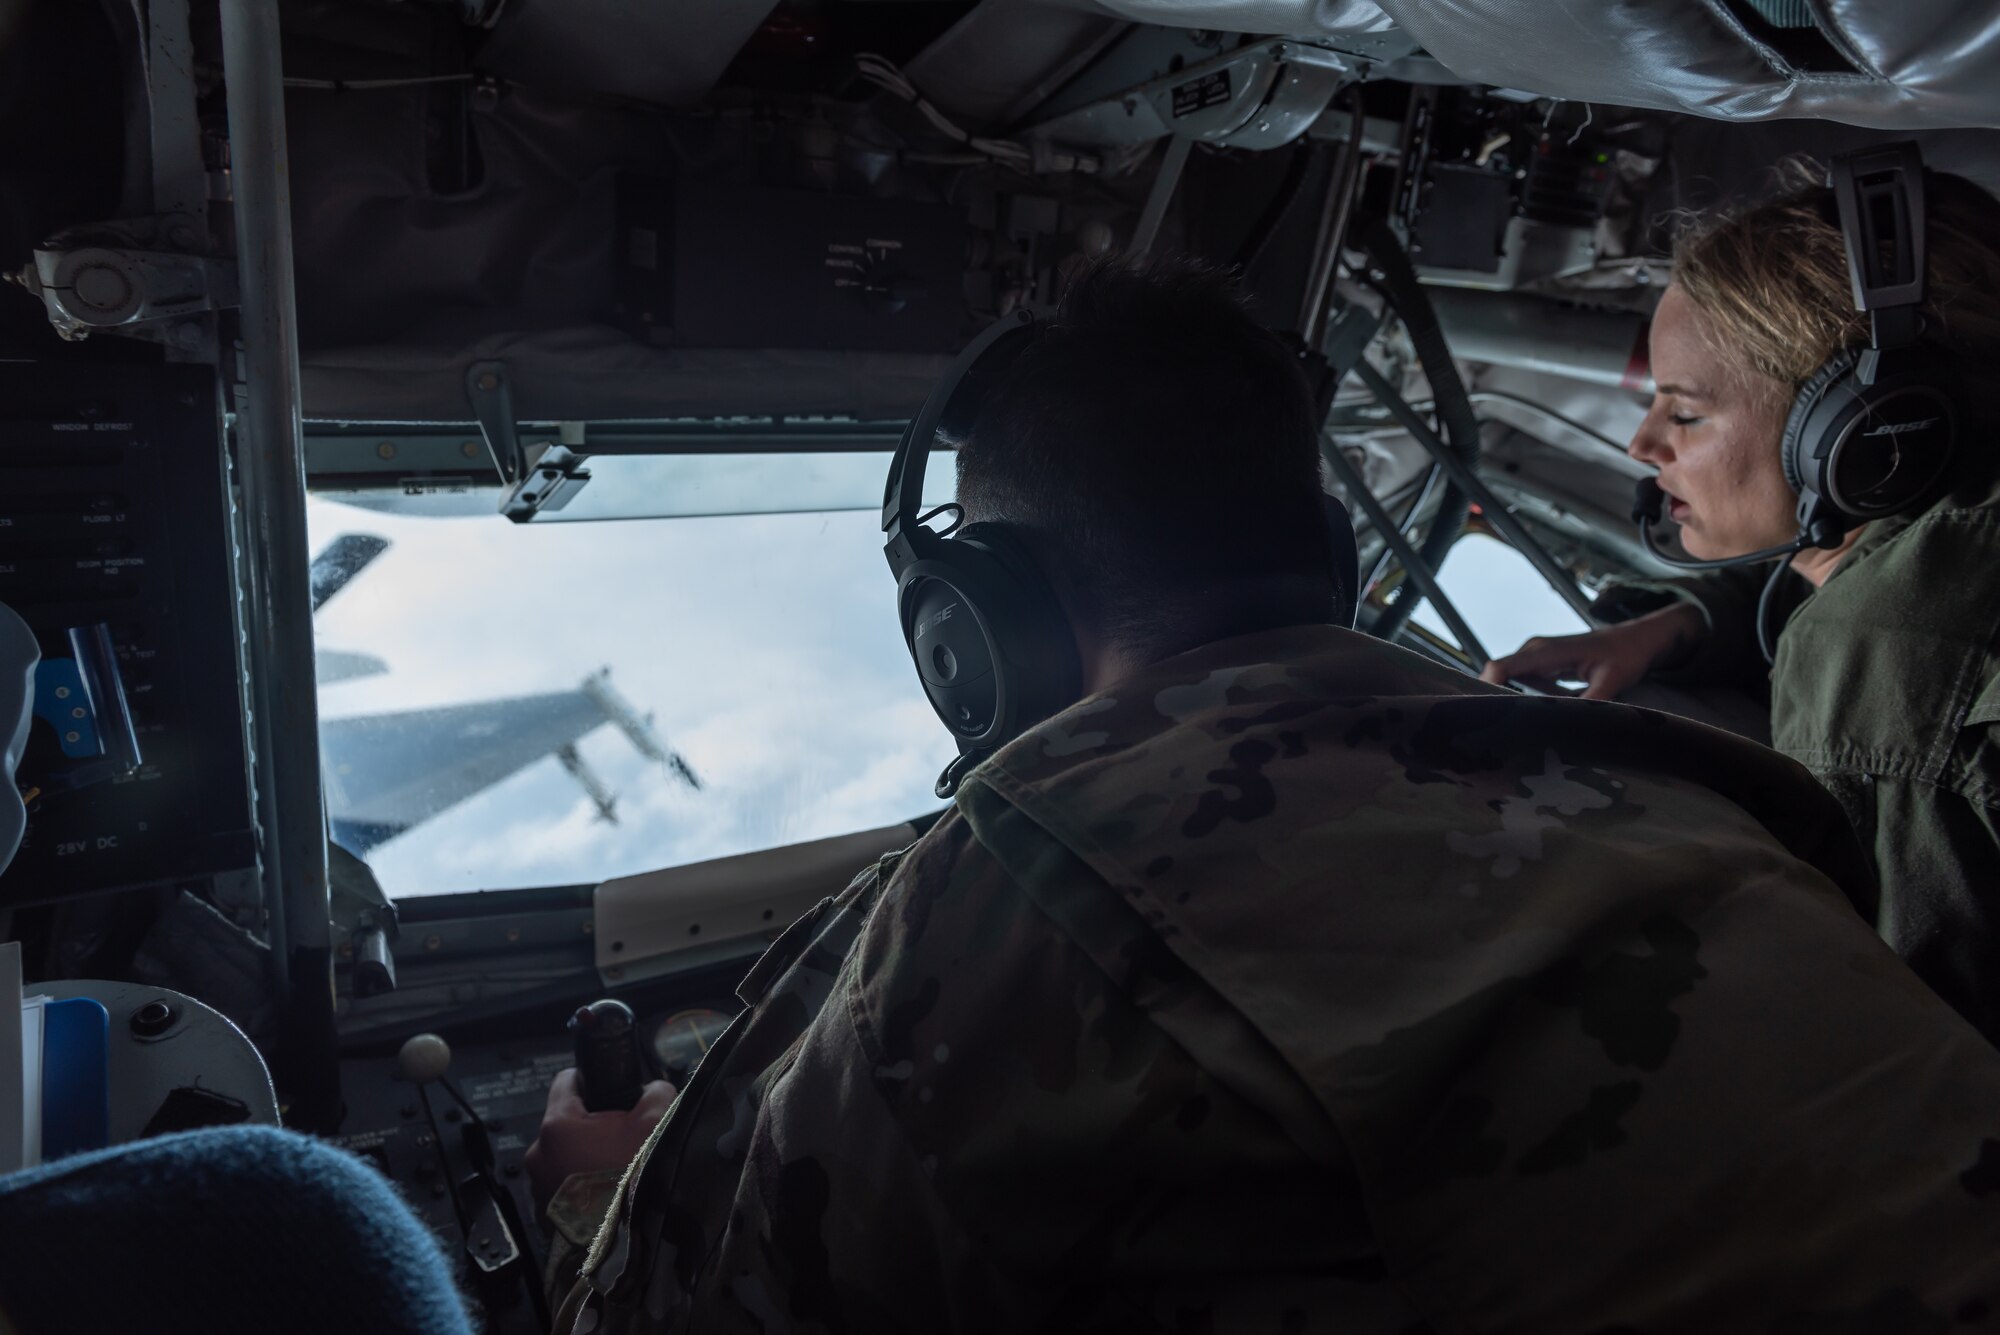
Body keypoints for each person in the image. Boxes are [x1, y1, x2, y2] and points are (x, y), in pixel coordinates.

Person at [531, 257, 2000, 1333]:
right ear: (1334, 561)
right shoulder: (1680, 790)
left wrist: (595, 1186)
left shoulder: (1018, 889)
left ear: (976, 633)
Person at [1481, 159, 2000, 1046]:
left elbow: (1901, 1040)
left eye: (1685, 415)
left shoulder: (1877, 652)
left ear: (1862, 432)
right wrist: (1682, 622)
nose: (1643, 445)